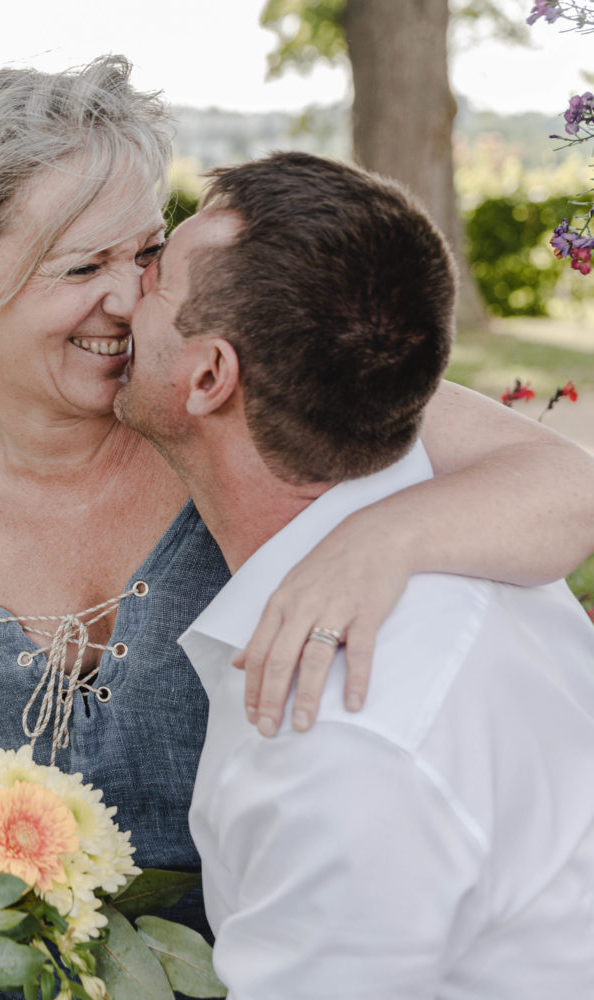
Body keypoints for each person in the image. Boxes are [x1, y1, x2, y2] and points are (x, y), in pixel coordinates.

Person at [0, 57, 594, 1000]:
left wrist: (381, 540)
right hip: (39, 964)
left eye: (145, 251)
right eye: (82, 266)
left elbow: (567, 483)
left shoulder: (231, 410)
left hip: (297, 933)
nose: (130, 297)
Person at [115, 150, 594, 996]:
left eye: (155, 275)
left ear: (211, 374)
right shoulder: (461, 519)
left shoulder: (335, 738)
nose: (125, 291)